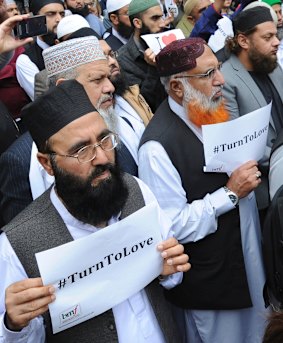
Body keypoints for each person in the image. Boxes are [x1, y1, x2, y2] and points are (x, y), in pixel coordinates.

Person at [0, 78, 190, 342]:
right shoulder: (16, 244)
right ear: (47, 164)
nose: (101, 158)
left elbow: (170, 274)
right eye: (81, 150)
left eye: (104, 140)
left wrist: (170, 269)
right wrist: (13, 323)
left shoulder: (134, 189)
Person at [138, 38, 268, 342]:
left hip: (246, 262)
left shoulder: (208, 110)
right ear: (177, 88)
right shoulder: (157, 147)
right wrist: (230, 194)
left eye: (218, 69)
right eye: (209, 74)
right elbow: (171, 226)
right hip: (211, 286)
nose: (221, 80)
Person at [221, 6, 283, 214]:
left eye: (275, 35)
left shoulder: (270, 63)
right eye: (268, 37)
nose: (276, 42)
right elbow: (239, 146)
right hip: (266, 190)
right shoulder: (226, 80)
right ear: (243, 41)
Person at [117, 0, 167, 112]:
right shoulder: (123, 60)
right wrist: (153, 69)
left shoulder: (168, 38)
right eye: (155, 18)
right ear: (137, 23)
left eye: (162, 17)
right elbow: (144, 105)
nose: (162, 23)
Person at [15, 0, 65, 100]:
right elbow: (47, 100)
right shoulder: (25, 60)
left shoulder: (73, 43)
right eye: (51, 14)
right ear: (35, 20)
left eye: (62, 14)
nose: (59, 19)